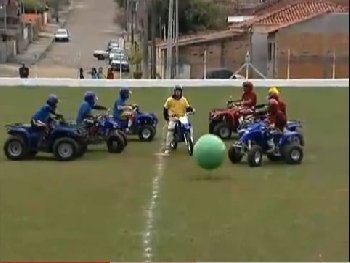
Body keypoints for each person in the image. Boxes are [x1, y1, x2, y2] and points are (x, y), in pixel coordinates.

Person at [163, 85, 195, 155]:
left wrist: (192, 109)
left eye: (179, 92)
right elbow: (165, 108)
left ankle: (191, 140)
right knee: (171, 129)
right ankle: (167, 147)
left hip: (182, 117)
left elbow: (187, 107)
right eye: (176, 92)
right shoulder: (170, 100)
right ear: (174, 92)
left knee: (189, 127)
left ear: (181, 92)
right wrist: (166, 117)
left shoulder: (183, 99)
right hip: (173, 117)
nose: (177, 93)